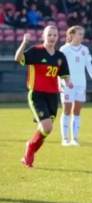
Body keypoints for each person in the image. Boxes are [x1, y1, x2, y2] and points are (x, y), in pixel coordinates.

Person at [15, 26, 73, 168]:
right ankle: (30, 149)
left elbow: (64, 74)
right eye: (49, 35)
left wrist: (68, 82)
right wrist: (24, 43)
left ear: (57, 37)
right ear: (43, 37)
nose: (52, 37)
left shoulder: (60, 56)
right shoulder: (35, 51)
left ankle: (29, 152)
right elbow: (18, 58)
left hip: (52, 96)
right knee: (47, 127)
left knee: (46, 129)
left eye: (55, 35)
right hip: (37, 95)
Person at [59, 26, 92, 146]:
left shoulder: (85, 50)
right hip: (68, 84)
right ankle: (65, 138)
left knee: (77, 111)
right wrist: (60, 82)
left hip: (81, 84)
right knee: (66, 111)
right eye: (80, 34)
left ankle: (75, 138)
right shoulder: (64, 49)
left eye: (82, 34)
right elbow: (59, 67)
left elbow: (89, 66)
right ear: (72, 34)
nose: (82, 36)